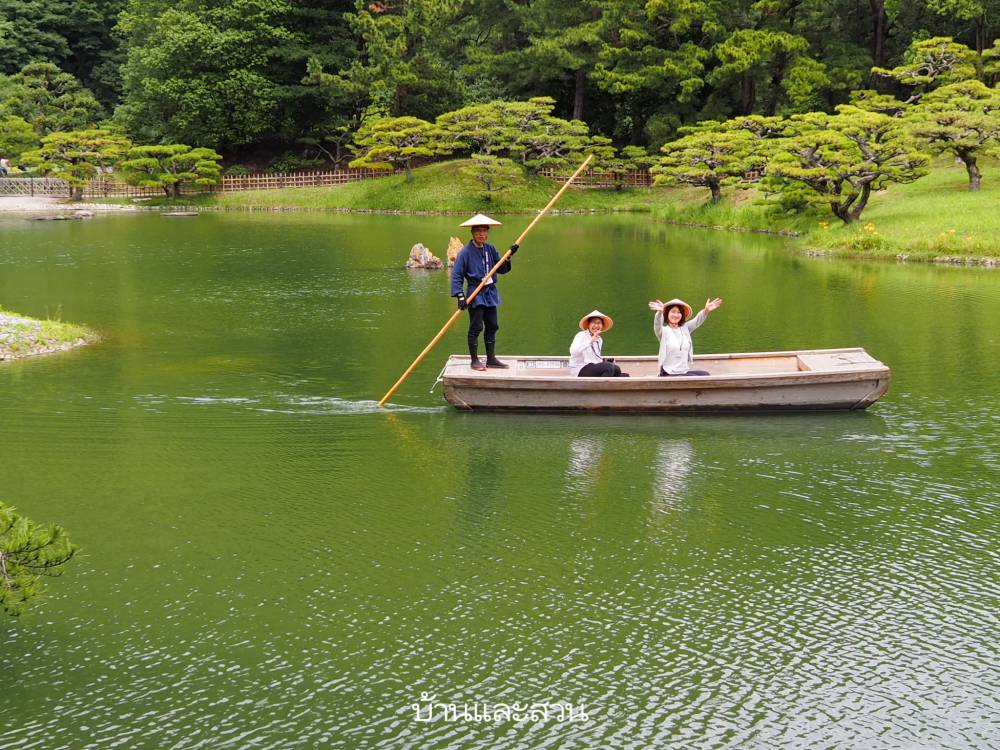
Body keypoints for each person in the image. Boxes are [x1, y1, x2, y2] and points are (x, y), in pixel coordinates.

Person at [450, 213, 519, 371]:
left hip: (490, 292)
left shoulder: (490, 249)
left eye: (484, 231)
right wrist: (460, 296)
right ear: (473, 233)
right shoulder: (465, 252)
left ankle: (491, 359)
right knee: (476, 327)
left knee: (493, 325)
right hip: (476, 293)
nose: (482, 234)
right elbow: (456, 275)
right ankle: (474, 360)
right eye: (478, 231)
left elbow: (501, 269)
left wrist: (509, 256)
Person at [649, 297, 723, 376]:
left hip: (683, 372)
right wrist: (660, 313)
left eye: (679, 312)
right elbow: (657, 323)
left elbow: (697, 320)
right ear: (667, 314)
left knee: (705, 374)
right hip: (668, 372)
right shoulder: (663, 331)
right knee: (697, 378)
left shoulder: (685, 328)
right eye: (673, 312)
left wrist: (706, 310)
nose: (676, 315)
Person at [569, 310, 629, 377]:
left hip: (592, 366)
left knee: (616, 369)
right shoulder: (581, 335)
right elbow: (573, 352)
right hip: (580, 368)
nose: (596, 325)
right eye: (593, 323)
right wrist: (591, 340)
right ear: (588, 325)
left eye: (599, 323)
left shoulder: (599, 339)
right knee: (609, 367)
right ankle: (601, 383)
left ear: (602, 326)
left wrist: (605, 361)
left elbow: (596, 359)